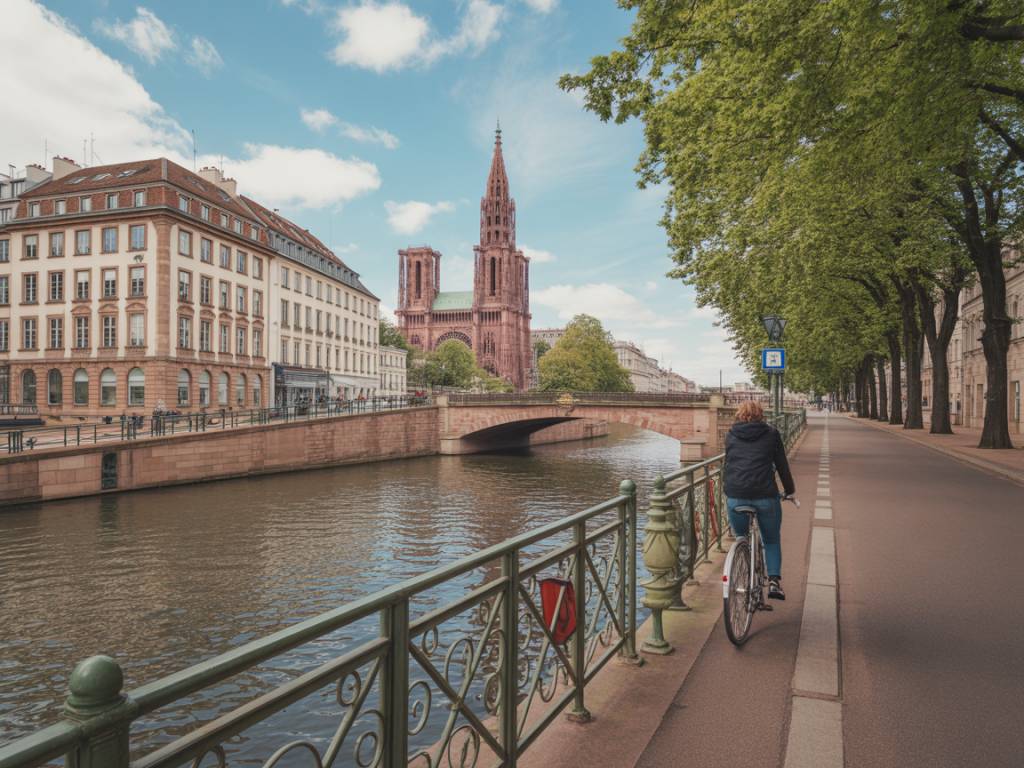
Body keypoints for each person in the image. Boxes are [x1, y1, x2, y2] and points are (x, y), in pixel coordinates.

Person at [723, 400, 795, 600]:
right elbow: (782, 465)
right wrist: (789, 490)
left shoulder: (730, 435)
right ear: (761, 415)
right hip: (765, 496)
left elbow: (728, 465)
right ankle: (773, 582)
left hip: (736, 497)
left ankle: (744, 572)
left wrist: (728, 490)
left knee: (741, 537)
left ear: (739, 414)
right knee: (771, 540)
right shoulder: (772, 434)